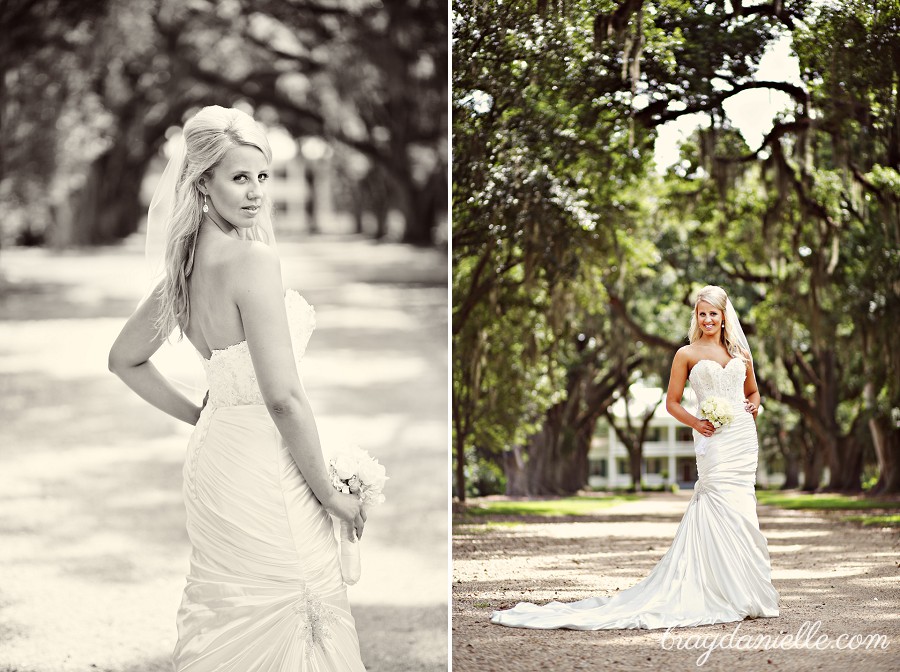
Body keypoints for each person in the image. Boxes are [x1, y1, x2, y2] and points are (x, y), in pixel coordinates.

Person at [108, 106, 368, 670]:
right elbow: (284, 398)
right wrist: (331, 495)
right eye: (238, 177)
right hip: (261, 464)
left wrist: (203, 416)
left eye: (262, 176)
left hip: (215, 456)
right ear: (203, 182)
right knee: (291, 600)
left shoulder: (182, 266)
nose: (255, 192)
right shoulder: (252, 260)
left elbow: (124, 360)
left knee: (229, 605)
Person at [490, 285, 779, 630]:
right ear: (696, 316)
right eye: (701, 313)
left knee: (742, 506)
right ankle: (721, 589)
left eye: (713, 313)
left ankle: (746, 586)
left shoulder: (740, 353)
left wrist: (755, 406)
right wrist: (697, 422)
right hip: (712, 437)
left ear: (724, 315)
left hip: (743, 437)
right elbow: (672, 402)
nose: (707, 319)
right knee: (717, 500)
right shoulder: (685, 354)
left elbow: (753, 391)